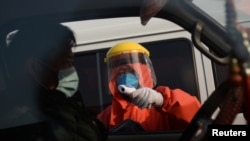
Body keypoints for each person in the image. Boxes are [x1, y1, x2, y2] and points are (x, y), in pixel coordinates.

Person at [1, 21, 107, 141]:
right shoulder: (20, 121)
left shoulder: (57, 104)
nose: (72, 71)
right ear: (34, 67)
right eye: (66, 63)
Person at [97, 41, 201, 131]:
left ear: (143, 72)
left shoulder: (161, 107)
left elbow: (197, 118)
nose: (125, 77)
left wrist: (163, 101)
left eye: (131, 71)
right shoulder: (107, 116)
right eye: (120, 73)